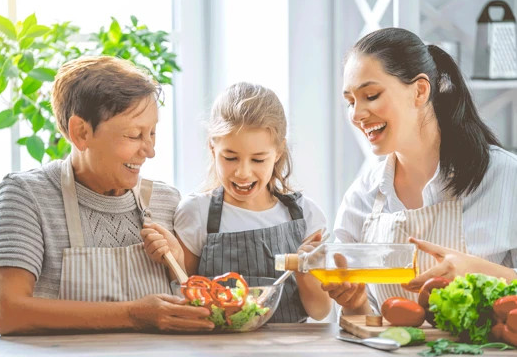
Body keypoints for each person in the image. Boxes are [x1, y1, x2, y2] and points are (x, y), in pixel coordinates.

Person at [0, 56, 213, 335]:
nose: (150, 150)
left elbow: (196, 304)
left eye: (152, 132)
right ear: (81, 133)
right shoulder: (27, 195)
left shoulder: (166, 199)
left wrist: (179, 263)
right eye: (134, 135)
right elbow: (7, 312)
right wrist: (132, 315)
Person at [323, 27, 517, 316]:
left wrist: (474, 271)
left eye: (371, 95)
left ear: (420, 90)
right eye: (351, 101)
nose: (356, 114)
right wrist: (355, 303)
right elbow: (366, 323)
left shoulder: (504, 176)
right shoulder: (362, 197)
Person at [144, 82, 332, 322]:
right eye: (230, 157)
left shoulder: (305, 214)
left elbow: (320, 311)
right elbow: (187, 294)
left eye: (258, 159)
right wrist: (175, 259)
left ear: (278, 153)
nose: (243, 172)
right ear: (212, 148)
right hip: (219, 346)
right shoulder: (197, 212)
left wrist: (305, 268)